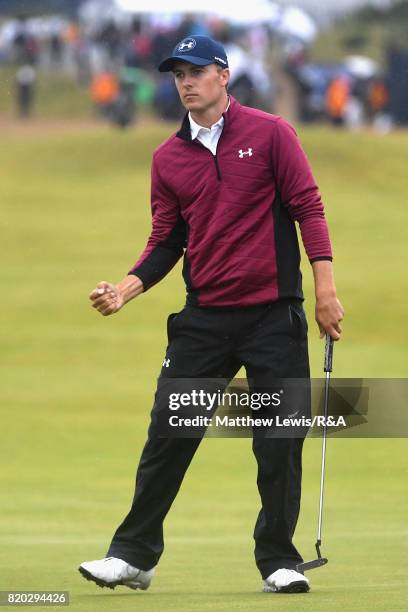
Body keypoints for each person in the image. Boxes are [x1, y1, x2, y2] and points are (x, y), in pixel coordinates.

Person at [79, 35, 344, 595]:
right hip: (204, 319)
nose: (185, 81)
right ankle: (133, 556)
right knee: (168, 434)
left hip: (275, 315)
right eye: (177, 73)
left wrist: (325, 290)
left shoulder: (272, 133)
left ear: (223, 76)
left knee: (279, 441)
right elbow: (167, 239)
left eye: (195, 71)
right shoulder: (167, 158)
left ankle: (279, 559)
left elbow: (308, 208)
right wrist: (127, 289)